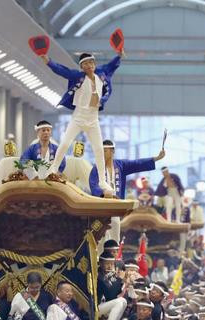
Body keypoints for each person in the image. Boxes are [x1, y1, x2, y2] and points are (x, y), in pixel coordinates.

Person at [40, 48, 124, 193]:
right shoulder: (78, 76)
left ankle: (103, 181)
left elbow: (111, 66)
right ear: (81, 67)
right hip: (78, 118)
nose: (89, 65)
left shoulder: (101, 73)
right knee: (65, 143)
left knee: (99, 149)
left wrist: (119, 56)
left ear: (94, 63)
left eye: (91, 62)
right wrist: (48, 61)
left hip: (93, 120)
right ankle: (52, 169)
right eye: (85, 64)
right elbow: (63, 71)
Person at [89, 139, 165, 241]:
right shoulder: (96, 168)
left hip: (115, 209)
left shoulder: (121, 166)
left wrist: (156, 158)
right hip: (101, 210)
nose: (103, 154)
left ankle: (113, 256)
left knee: (114, 239)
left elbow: (137, 163)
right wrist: (102, 193)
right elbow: (93, 185)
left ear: (112, 151)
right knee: (99, 241)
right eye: (101, 151)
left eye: (105, 151)